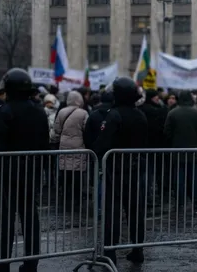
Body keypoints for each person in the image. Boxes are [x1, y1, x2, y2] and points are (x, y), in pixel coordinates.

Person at [0, 68, 50, 272]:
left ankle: (1, 264)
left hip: (8, 175)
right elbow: (45, 143)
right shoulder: (39, 111)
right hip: (31, 173)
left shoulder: (4, 111)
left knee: (5, 221)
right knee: (30, 219)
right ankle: (31, 263)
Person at [92, 77, 149, 265]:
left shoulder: (114, 115)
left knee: (112, 212)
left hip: (115, 170)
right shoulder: (140, 114)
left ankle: (110, 253)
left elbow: (102, 142)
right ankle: (138, 250)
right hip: (136, 168)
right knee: (135, 212)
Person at [164, 90, 197, 206]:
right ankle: (196, 201)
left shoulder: (172, 113)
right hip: (195, 151)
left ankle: (180, 201)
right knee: (195, 177)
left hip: (177, 151)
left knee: (179, 177)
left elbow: (167, 132)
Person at [51, 91, 90, 210]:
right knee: (77, 175)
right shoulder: (83, 113)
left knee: (65, 174)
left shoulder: (62, 112)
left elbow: (56, 130)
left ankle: (65, 200)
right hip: (78, 147)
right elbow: (87, 130)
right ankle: (76, 201)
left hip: (64, 146)